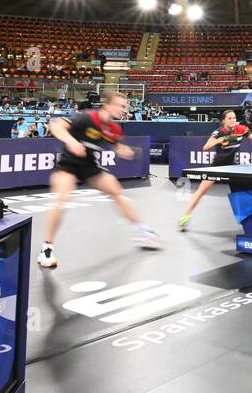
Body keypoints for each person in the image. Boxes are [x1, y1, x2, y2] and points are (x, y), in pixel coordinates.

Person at [38, 92, 161, 267]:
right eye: (120, 105)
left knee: (116, 192)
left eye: (124, 107)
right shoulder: (87, 118)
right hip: (69, 162)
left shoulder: (113, 128)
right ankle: (46, 249)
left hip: (90, 165)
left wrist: (126, 151)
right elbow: (56, 126)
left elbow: (117, 145)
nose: (123, 110)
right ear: (107, 105)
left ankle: (144, 232)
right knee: (61, 198)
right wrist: (72, 142)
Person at [179, 109, 252, 229]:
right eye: (229, 118)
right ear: (223, 121)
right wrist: (219, 140)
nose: (232, 120)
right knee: (201, 192)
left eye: (234, 118)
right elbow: (205, 147)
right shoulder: (218, 132)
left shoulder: (241, 129)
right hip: (217, 166)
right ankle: (185, 216)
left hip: (233, 166)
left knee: (245, 191)